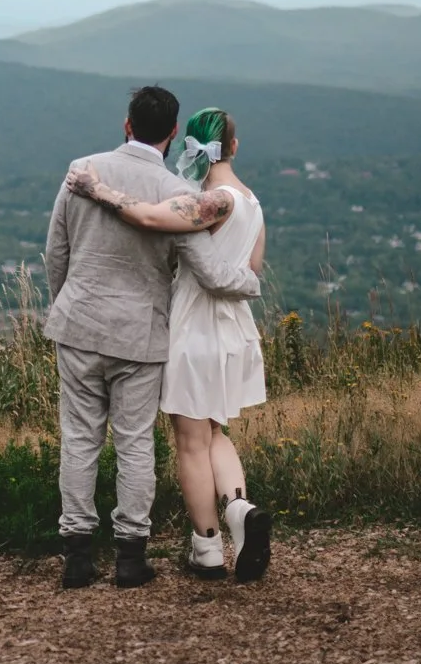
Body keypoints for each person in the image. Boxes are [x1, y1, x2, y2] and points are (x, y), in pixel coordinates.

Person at [43, 86, 262, 590]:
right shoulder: (175, 194)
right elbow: (209, 270)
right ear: (169, 136)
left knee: (79, 441)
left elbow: (57, 249)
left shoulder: (82, 170)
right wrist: (252, 282)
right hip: (140, 336)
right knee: (136, 444)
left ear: (126, 125)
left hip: (78, 325)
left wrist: (68, 303)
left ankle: (77, 556)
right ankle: (129, 557)